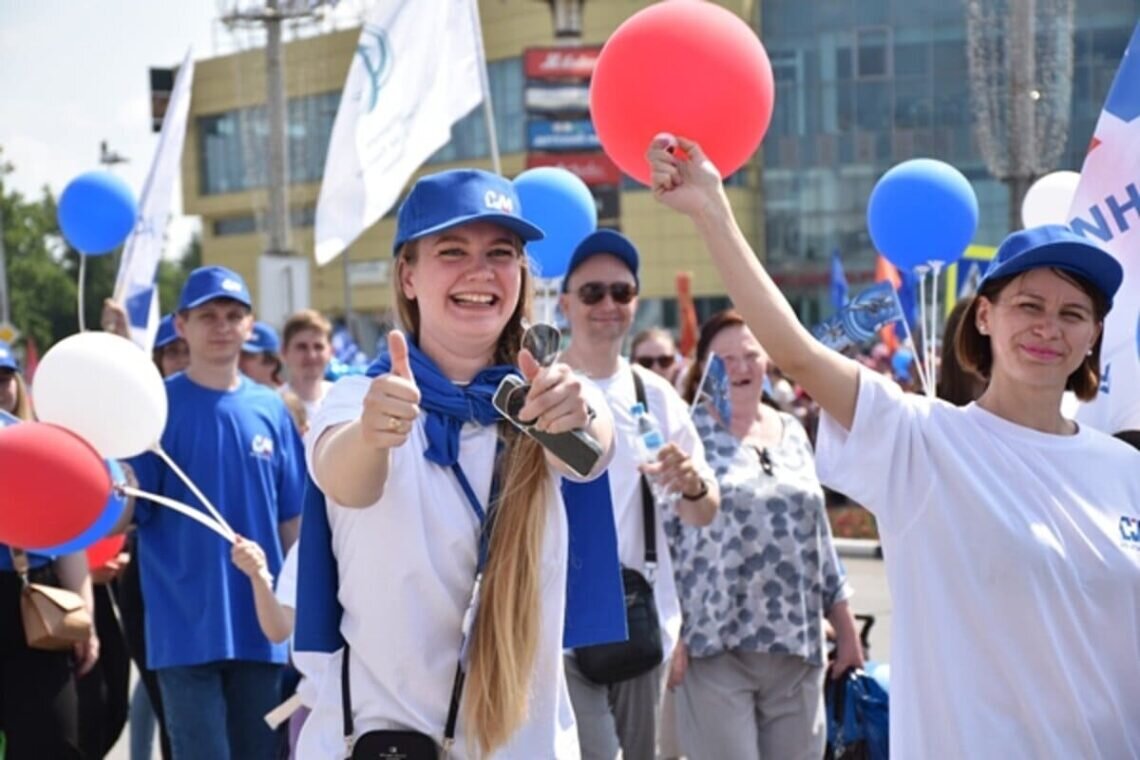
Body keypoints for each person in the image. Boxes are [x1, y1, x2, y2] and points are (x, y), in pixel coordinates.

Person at [647, 134, 1140, 758]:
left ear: (1094, 334)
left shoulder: (1127, 471)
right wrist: (712, 210)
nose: (1049, 327)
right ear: (984, 317)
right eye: (1029, 305)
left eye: (1073, 314)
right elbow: (797, 350)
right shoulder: (921, 442)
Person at [300, 168, 615, 759]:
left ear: (522, 276)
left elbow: (596, 447)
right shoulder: (356, 398)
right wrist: (373, 434)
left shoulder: (548, 396)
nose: (480, 271)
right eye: (452, 251)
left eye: (502, 253)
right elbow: (346, 479)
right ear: (408, 276)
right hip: (385, 744)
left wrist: (579, 412)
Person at [127, 266, 305, 760]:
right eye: (208, 315)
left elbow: (294, 525)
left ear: (250, 327)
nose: (222, 325)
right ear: (181, 325)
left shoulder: (272, 410)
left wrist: (303, 610)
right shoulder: (156, 407)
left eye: (233, 315)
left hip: (261, 628)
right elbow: (127, 508)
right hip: (182, 628)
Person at [671, 309, 863, 760]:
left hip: (796, 643)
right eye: (725, 358)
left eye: (750, 355)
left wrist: (846, 625)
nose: (740, 367)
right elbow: (667, 537)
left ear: (767, 362)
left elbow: (818, 538)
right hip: (714, 644)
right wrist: (671, 632)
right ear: (703, 367)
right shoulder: (684, 434)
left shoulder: (793, 430)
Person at [557, 229, 719, 760]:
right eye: (591, 293)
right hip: (554, 614)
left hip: (637, 612)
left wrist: (692, 482)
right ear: (565, 303)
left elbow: (703, 511)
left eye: (621, 293)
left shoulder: (654, 394)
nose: (608, 305)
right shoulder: (546, 388)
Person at [0, 341, 99, 759]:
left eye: (5, 378)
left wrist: (84, 615)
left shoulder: (35, 442)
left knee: (53, 742)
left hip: (32, 600)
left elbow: (70, 538)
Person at [280, 309, 333, 420]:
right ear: (284, 352)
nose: (311, 355)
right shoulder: (274, 404)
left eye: (318, 347)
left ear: (331, 352)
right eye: (302, 347)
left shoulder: (341, 400)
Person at [240, 321, 285, 387]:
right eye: (237, 354)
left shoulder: (286, 396)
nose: (239, 361)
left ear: (271, 363)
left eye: (247, 355)